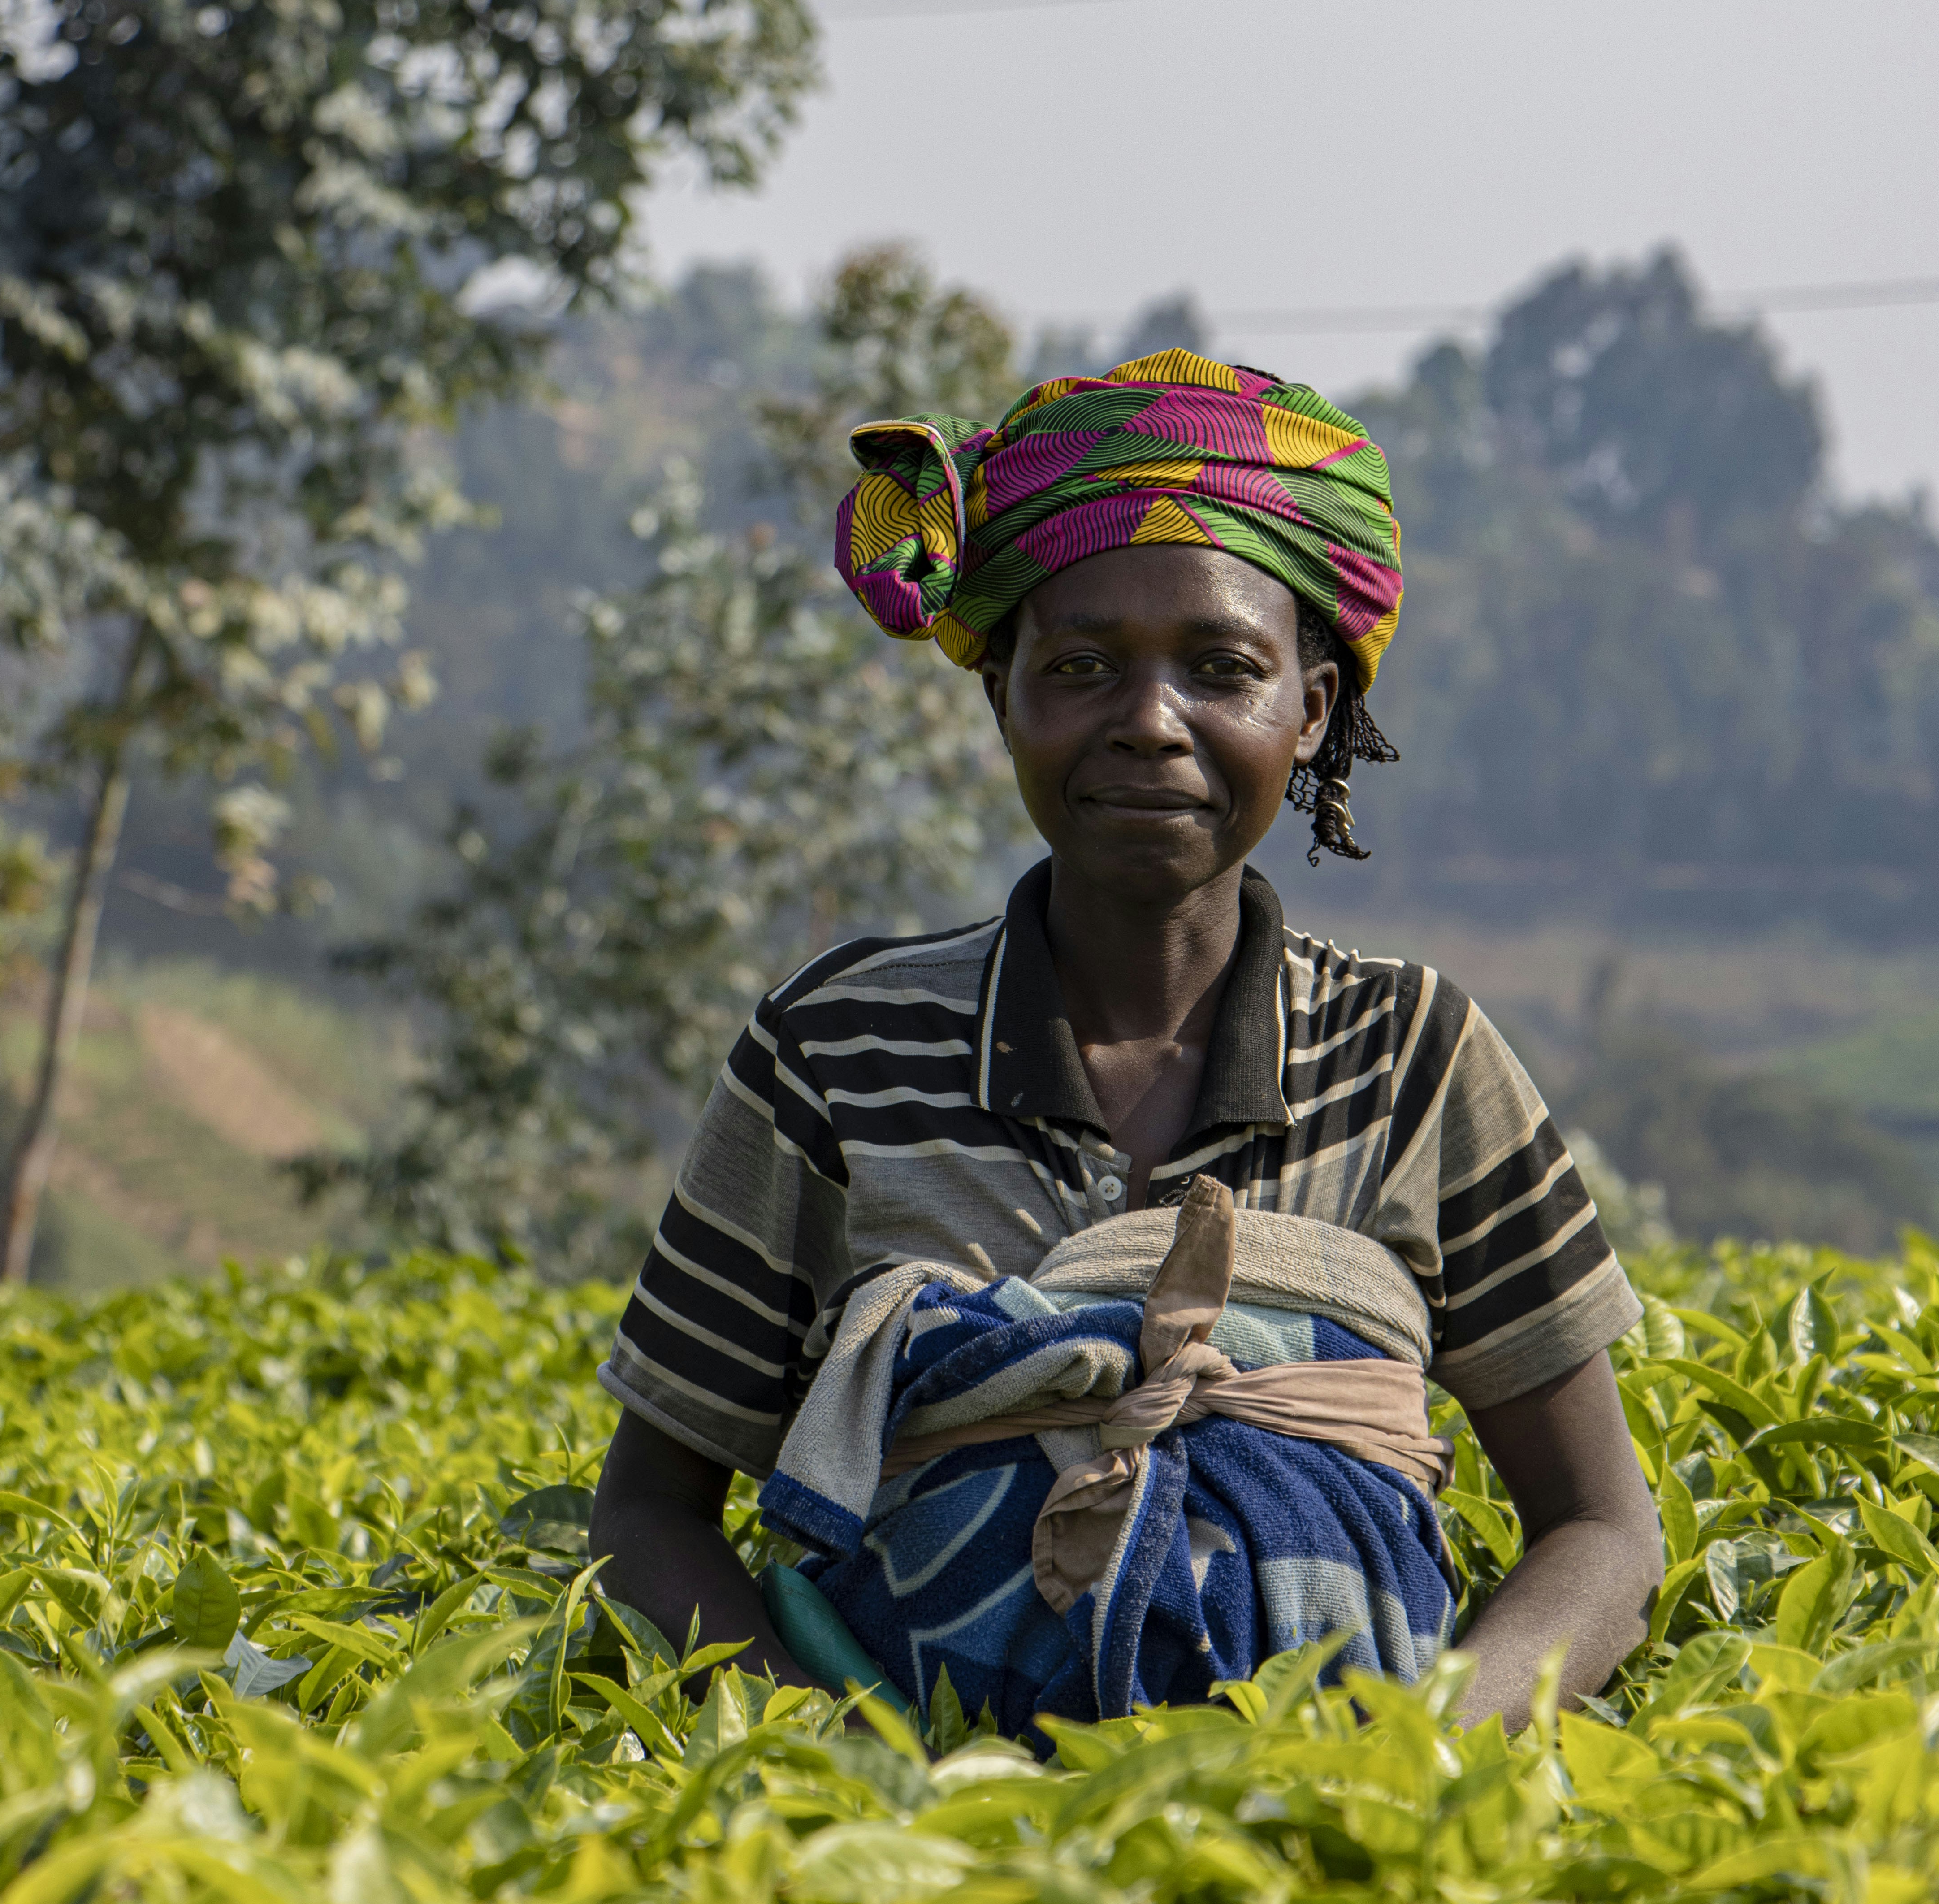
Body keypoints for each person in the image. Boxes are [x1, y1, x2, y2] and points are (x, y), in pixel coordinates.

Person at [589, 346, 1661, 1735]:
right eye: (1083, 665)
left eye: (1222, 669)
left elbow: (1602, 1535)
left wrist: (1427, 1773)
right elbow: (647, 1515)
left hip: (1340, 1835)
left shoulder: (1417, 1058)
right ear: (1005, 698)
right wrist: (846, 1771)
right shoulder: (838, 1051)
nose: (1151, 723)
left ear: (1312, 709)